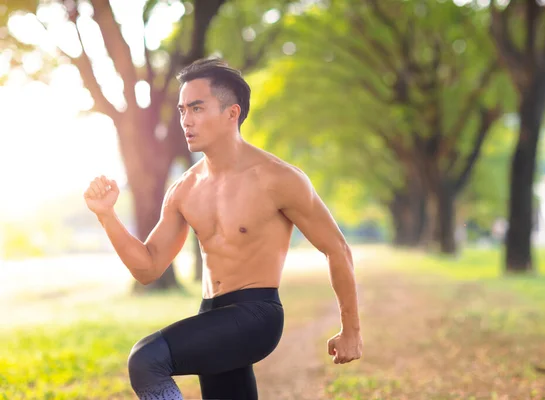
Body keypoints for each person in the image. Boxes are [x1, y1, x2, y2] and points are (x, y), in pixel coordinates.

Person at [83, 58, 362, 400]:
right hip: (211, 313)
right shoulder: (185, 189)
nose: (186, 120)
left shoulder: (278, 179)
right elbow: (148, 267)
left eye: (197, 108)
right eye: (183, 110)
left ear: (232, 114)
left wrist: (351, 330)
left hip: (255, 315)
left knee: (146, 359)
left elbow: (337, 249)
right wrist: (107, 216)